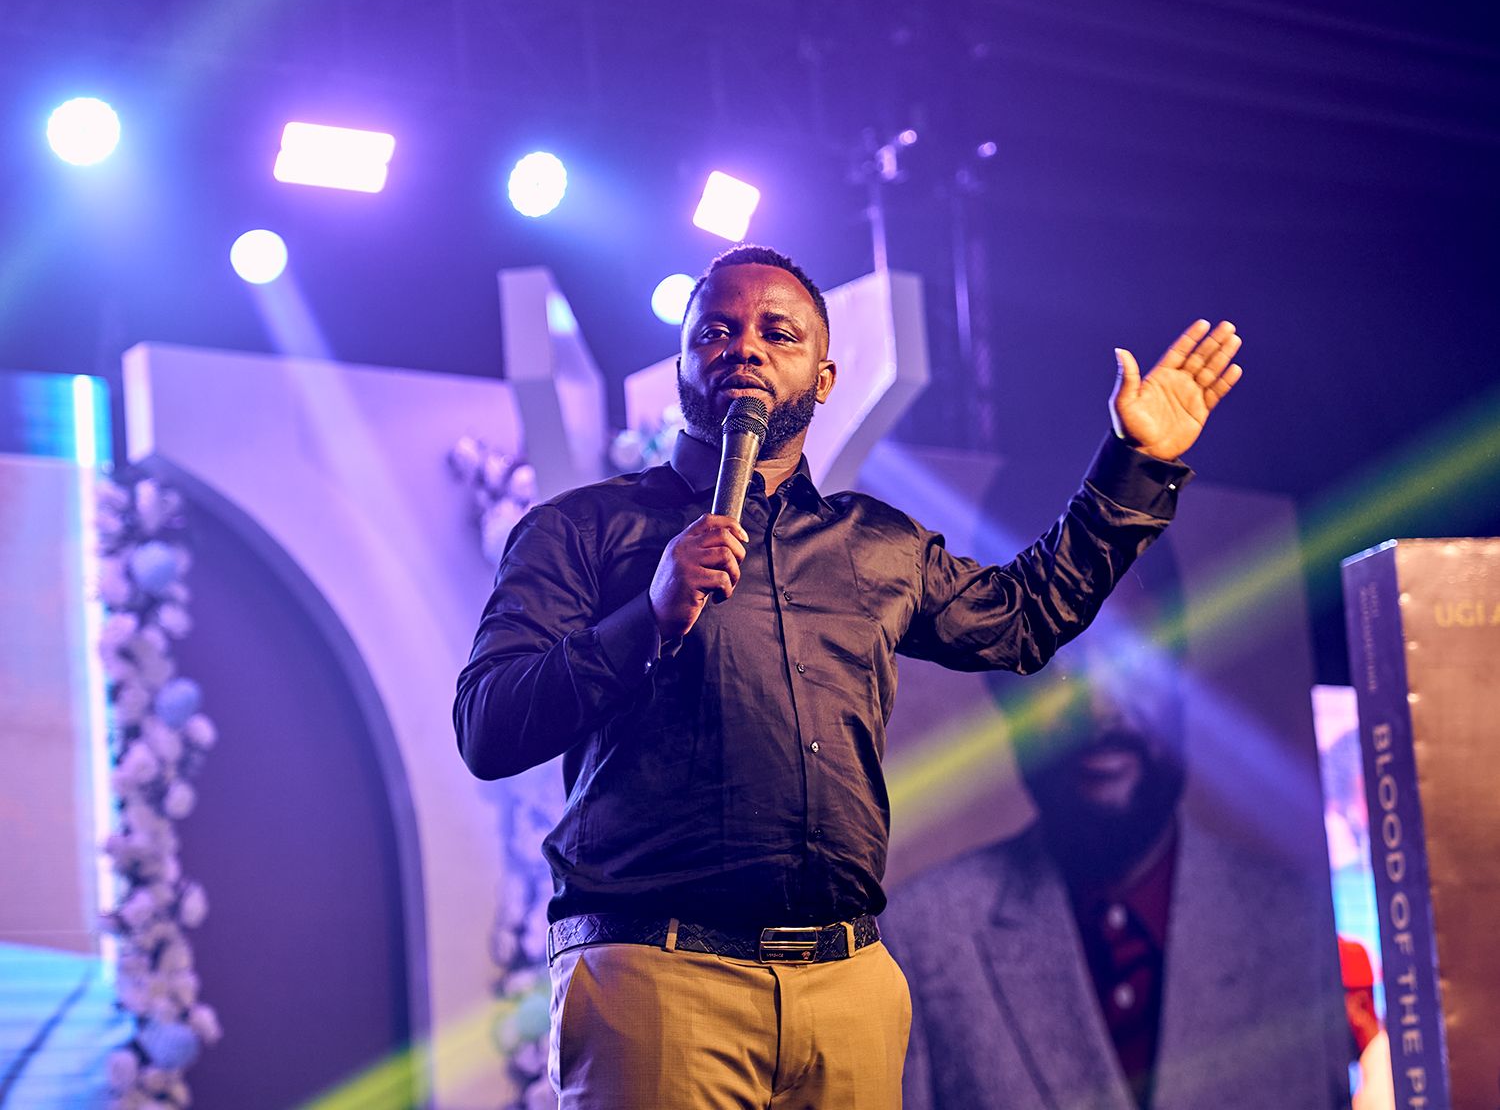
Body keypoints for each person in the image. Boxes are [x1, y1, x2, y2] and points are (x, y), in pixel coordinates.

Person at [453, 244, 1242, 1109]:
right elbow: (488, 726)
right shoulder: (579, 529)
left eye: (777, 333)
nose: (744, 348)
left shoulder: (876, 544)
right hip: (658, 975)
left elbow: (1025, 617)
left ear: (824, 378)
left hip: (847, 986)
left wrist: (1134, 463)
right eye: (715, 332)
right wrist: (649, 614)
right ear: (682, 366)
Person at [880, 543, 1354, 1110]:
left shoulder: (1301, 923)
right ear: (1003, 694)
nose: (1101, 709)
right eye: (1056, 666)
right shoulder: (918, 938)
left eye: (1133, 660)